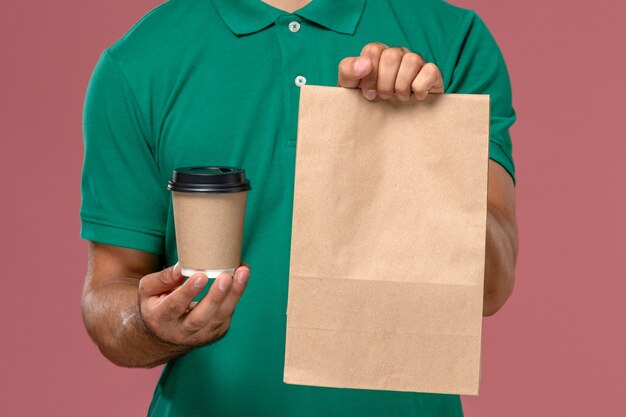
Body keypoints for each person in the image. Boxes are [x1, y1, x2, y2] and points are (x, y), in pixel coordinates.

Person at [80, 0, 519, 415]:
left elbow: (492, 287)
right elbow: (109, 290)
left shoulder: (454, 40)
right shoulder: (137, 64)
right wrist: (150, 324)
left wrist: (422, 138)